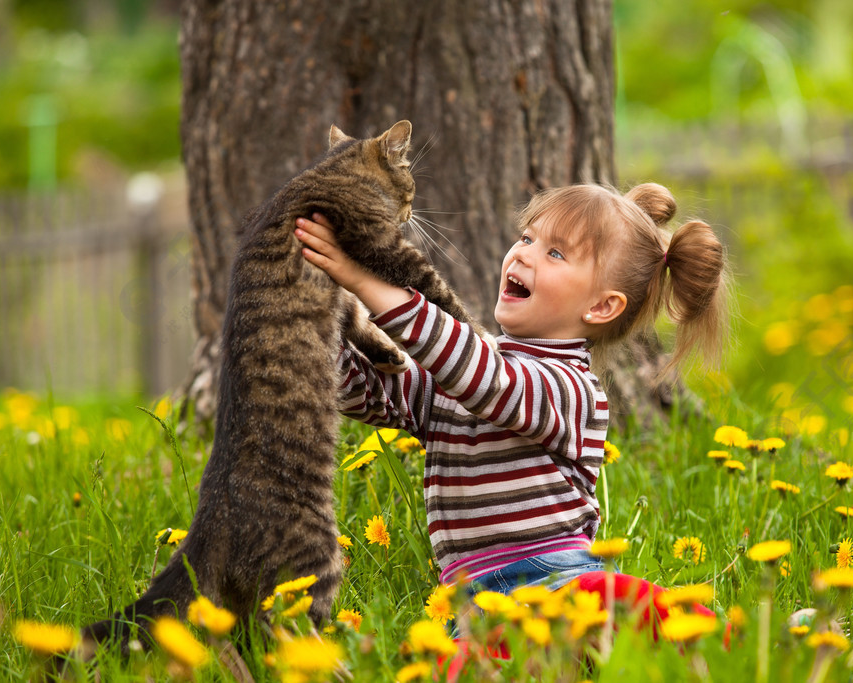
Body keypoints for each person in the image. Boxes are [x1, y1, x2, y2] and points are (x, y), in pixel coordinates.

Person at [293, 182, 728, 641]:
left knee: (620, 600)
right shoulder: (466, 367)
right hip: (473, 603)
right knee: (448, 662)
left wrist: (366, 282)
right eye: (527, 237)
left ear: (602, 307)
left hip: (562, 582)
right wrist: (310, 326)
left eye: (556, 254)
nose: (523, 255)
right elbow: (376, 390)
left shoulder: (571, 390)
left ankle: (748, 639)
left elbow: (487, 382)